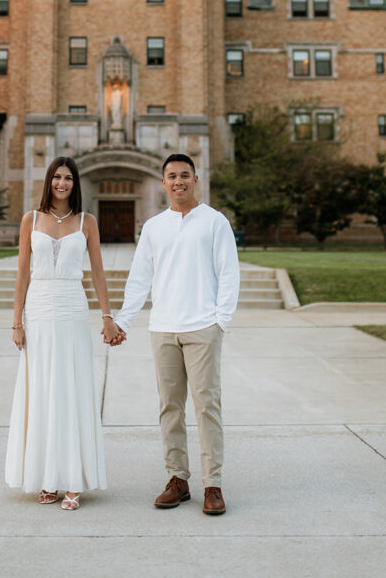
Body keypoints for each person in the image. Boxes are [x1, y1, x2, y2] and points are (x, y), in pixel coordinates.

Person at [114, 153, 240, 515]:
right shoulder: (154, 226)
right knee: (170, 408)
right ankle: (178, 479)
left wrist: (220, 322)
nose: (179, 181)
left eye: (185, 175)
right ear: (163, 182)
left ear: (195, 180)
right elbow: (140, 279)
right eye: (172, 176)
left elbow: (229, 274)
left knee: (206, 408)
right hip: (164, 329)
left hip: (202, 328)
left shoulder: (214, 222)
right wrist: (124, 320)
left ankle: (212, 484)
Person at [5, 157, 119, 510]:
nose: (62, 183)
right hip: (38, 309)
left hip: (71, 308)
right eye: (56, 176)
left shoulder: (87, 222)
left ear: (75, 184)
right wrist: (17, 322)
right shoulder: (30, 220)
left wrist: (106, 316)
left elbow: (98, 272)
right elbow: (22, 273)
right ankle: (47, 478)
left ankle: (72, 480)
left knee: (70, 390)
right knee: (41, 391)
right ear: (48, 181)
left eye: (68, 178)